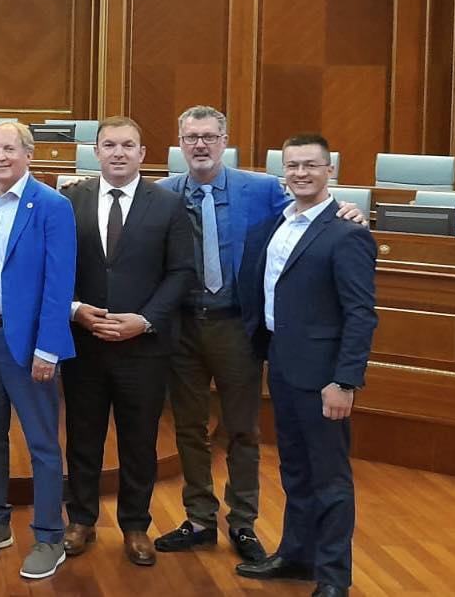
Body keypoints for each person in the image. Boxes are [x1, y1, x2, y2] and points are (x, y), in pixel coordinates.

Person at [154, 106, 364, 563]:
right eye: (192, 137)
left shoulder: (263, 189)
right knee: (189, 427)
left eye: (210, 136)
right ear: (180, 141)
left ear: (225, 140)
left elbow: (313, 209)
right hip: (184, 327)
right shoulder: (164, 193)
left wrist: (353, 206)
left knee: (242, 429)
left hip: (236, 326)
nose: (201, 145)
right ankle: (198, 518)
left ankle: (242, 522)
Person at [235, 133, 377, 597]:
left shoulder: (347, 231)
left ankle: (334, 577)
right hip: (281, 364)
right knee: (294, 470)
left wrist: (345, 380)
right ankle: (297, 556)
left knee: (330, 479)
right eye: (292, 165)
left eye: (310, 166)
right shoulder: (276, 224)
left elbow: (361, 314)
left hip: (323, 378)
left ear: (329, 169)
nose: (301, 173)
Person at [58, 116, 195, 567]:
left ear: (142, 153)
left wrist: (146, 320)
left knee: (139, 442)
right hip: (87, 344)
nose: (119, 153)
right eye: (110, 145)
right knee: (83, 438)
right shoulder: (70, 200)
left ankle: (136, 525)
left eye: (128, 145)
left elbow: (180, 272)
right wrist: (75, 309)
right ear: (96, 151)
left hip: (144, 348)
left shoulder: (169, 205)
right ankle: (81, 520)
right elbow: (55, 268)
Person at [0, 121, 77, 580]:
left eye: (10, 148)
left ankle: (49, 536)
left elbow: (58, 281)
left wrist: (48, 347)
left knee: (42, 442)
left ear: (29, 154)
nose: (0, 156)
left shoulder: (52, 205)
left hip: (29, 343)